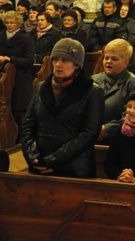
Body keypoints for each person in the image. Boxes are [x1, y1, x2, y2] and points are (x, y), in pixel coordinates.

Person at [20, 38, 104, 177]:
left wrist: (52, 160)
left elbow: (89, 134)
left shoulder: (92, 91)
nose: (58, 64)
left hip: (74, 168)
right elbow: (28, 126)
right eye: (55, 59)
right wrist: (33, 156)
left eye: (64, 60)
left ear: (77, 65)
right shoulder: (41, 88)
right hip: (39, 164)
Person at [92, 39, 135, 142]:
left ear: (126, 62)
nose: (108, 62)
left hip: (119, 140)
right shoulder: (92, 80)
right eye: (106, 58)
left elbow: (132, 116)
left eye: (114, 59)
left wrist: (106, 129)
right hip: (91, 139)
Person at [0, 11, 35, 125]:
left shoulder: (25, 38)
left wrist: (10, 59)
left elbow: (30, 60)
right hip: (3, 76)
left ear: (18, 24)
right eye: (7, 22)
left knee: (19, 109)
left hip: (21, 78)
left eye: (12, 22)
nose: (9, 25)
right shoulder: (1, 37)